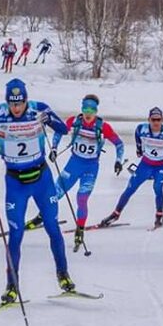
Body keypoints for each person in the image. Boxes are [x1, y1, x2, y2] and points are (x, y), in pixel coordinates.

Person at [0, 78, 74, 299]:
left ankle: (63, 274)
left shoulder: (38, 108)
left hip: (42, 179)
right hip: (15, 182)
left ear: (26, 99)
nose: (16, 108)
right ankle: (12, 285)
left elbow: (64, 129)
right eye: (12, 103)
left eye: (20, 103)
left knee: (52, 227)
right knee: (16, 234)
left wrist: (49, 118)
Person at [50, 94, 125, 247]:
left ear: (96, 111)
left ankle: (80, 229)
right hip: (74, 164)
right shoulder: (74, 121)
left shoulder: (103, 127)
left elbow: (119, 144)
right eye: (85, 109)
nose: (88, 113)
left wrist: (118, 161)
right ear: (82, 109)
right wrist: (54, 149)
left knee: (82, 198)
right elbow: (58, 131)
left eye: (92, 110)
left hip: (91, 168)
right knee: (56, 192)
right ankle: (42, 216)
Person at [99, 107, 163, 229]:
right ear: (149, 120)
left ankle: (159, 215)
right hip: (146, 165)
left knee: (158, 188)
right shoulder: (141, 129)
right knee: (130, 188)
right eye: (153, 120)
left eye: (158, 120)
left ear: (162, 120)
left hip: (161, 165)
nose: (156, 123)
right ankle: (115, 214)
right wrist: (139, 149)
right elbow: (137, 135)